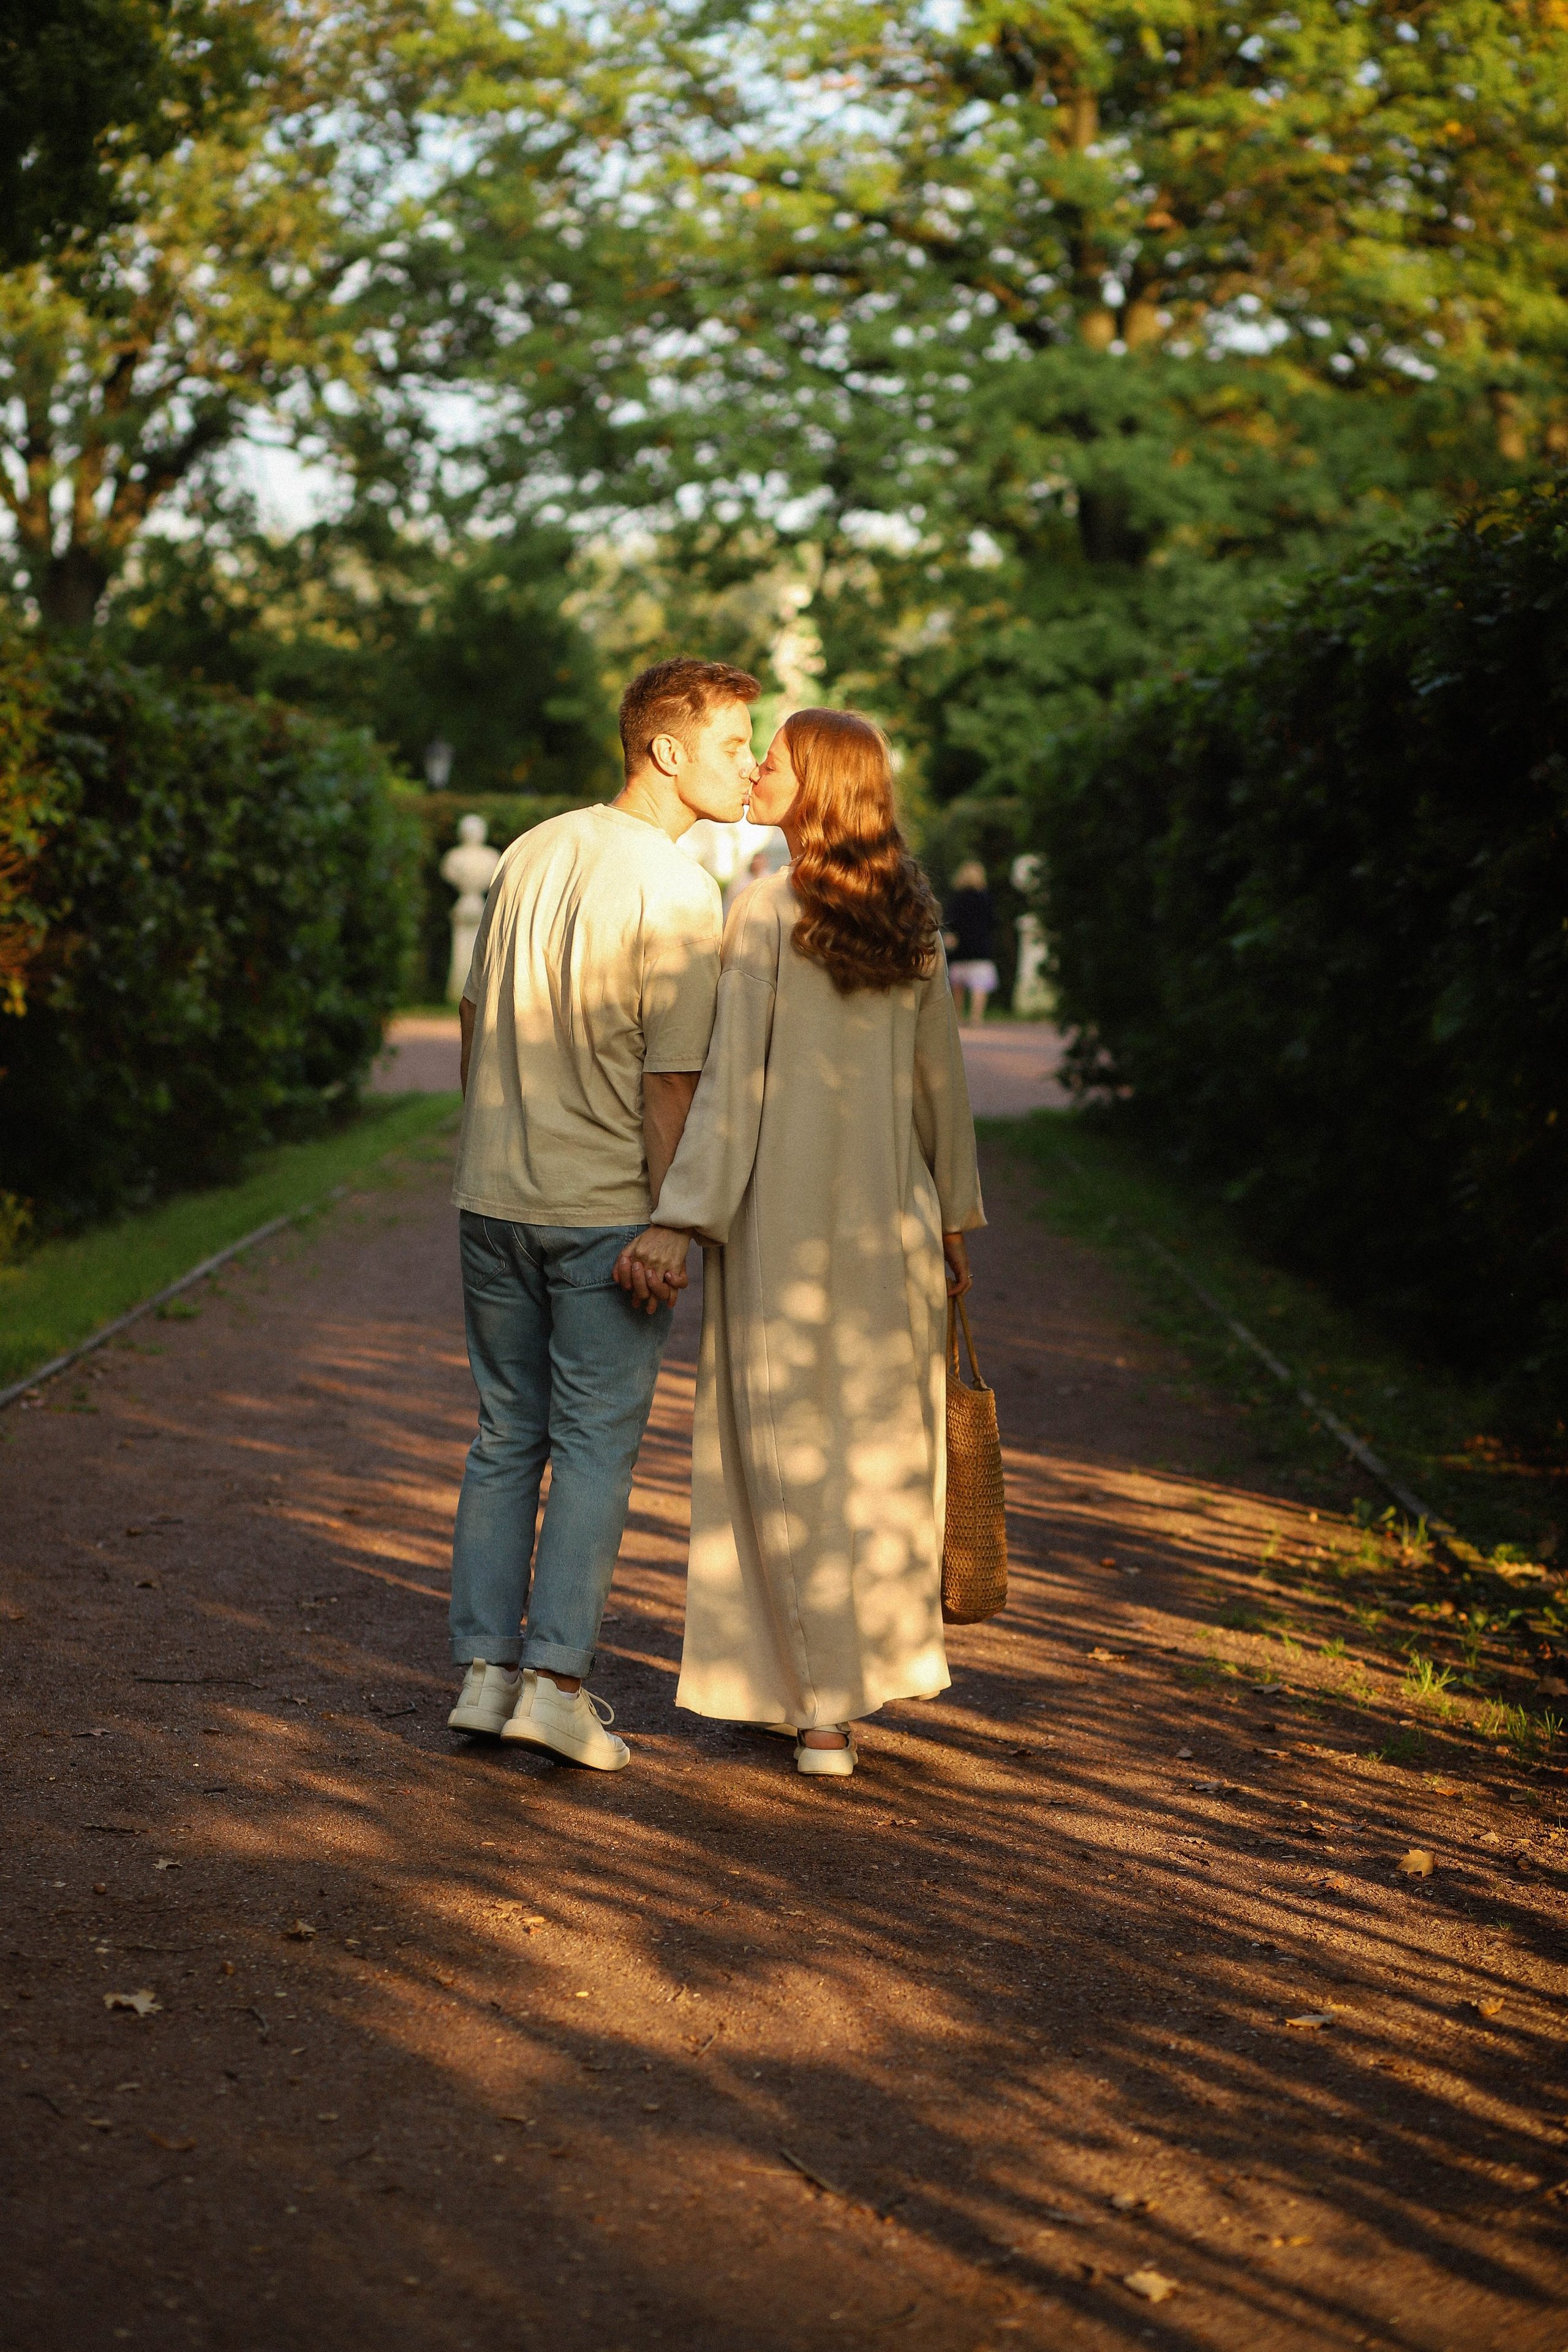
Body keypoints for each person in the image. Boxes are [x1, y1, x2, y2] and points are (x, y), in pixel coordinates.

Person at [613, 708, 984, 1778]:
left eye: (776, 753)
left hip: (785, 1228)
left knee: (783, 1458)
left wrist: (681, 1219)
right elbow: (940, 1092)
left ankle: (819, 1710)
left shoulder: (765, 910)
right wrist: (955, 1219)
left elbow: (730, 1090)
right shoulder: (909, 912)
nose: (760, 765)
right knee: (874, 1462)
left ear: (816, 783)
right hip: (897, 1223)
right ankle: (823, 1685)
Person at [445, 657, 761, 1771]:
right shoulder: (678, 891)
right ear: (666, 750)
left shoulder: (534, 849)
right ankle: (555, 1687)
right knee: (590, 1451)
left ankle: (484, 1677)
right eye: (733, 744)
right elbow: (671, 1084)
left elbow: (477, 1015)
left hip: (492, 1200)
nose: (748, 766)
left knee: (502, 1437)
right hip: (605, 1218)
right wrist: (673, 1222)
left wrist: (491, 1145)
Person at [942, 858, 998, 1025]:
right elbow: (993, 922)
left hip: (960, 948)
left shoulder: (957, 899)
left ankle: (957, 1017)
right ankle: (976, 1017)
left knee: (957, 985)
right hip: (981, 947)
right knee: (979, 985)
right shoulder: (986, 898)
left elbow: (950, 922)